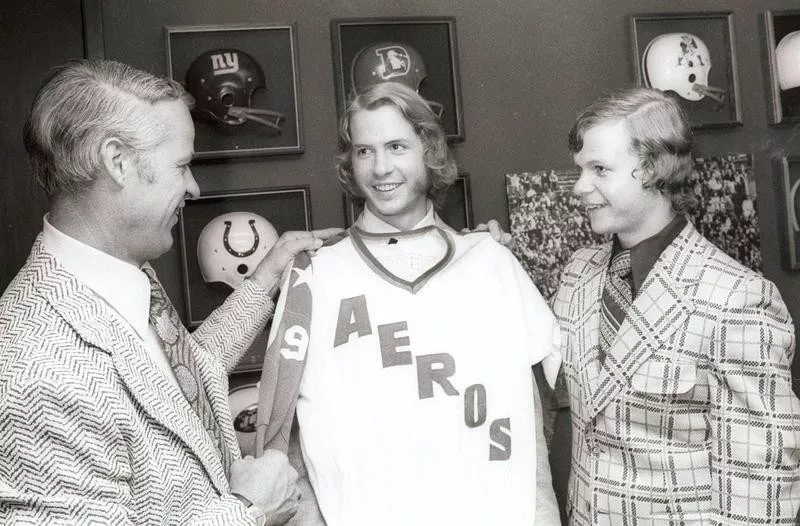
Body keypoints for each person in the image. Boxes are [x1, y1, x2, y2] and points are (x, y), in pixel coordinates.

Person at [0, 59, 341, 525]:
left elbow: (175, 387)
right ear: (117, 161)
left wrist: (264, 281)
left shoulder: (123, 273)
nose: (194, 187)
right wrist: (249, 511)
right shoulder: (32, 367)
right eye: (181, 166)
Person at [255, 81, 562, 526]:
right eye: (364, 151)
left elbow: (534, 417)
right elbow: (288, 439)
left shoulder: (490, 262)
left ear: (429, 150)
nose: (380, 168)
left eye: (396, 146)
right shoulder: (315, 275)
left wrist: (542, 515)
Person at [551, 87, 800, 525]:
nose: (580, 187)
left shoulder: (737, 298)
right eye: (581, 169)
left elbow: (760, 483)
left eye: (600, 170)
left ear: (652, 168)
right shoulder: (578, 274)